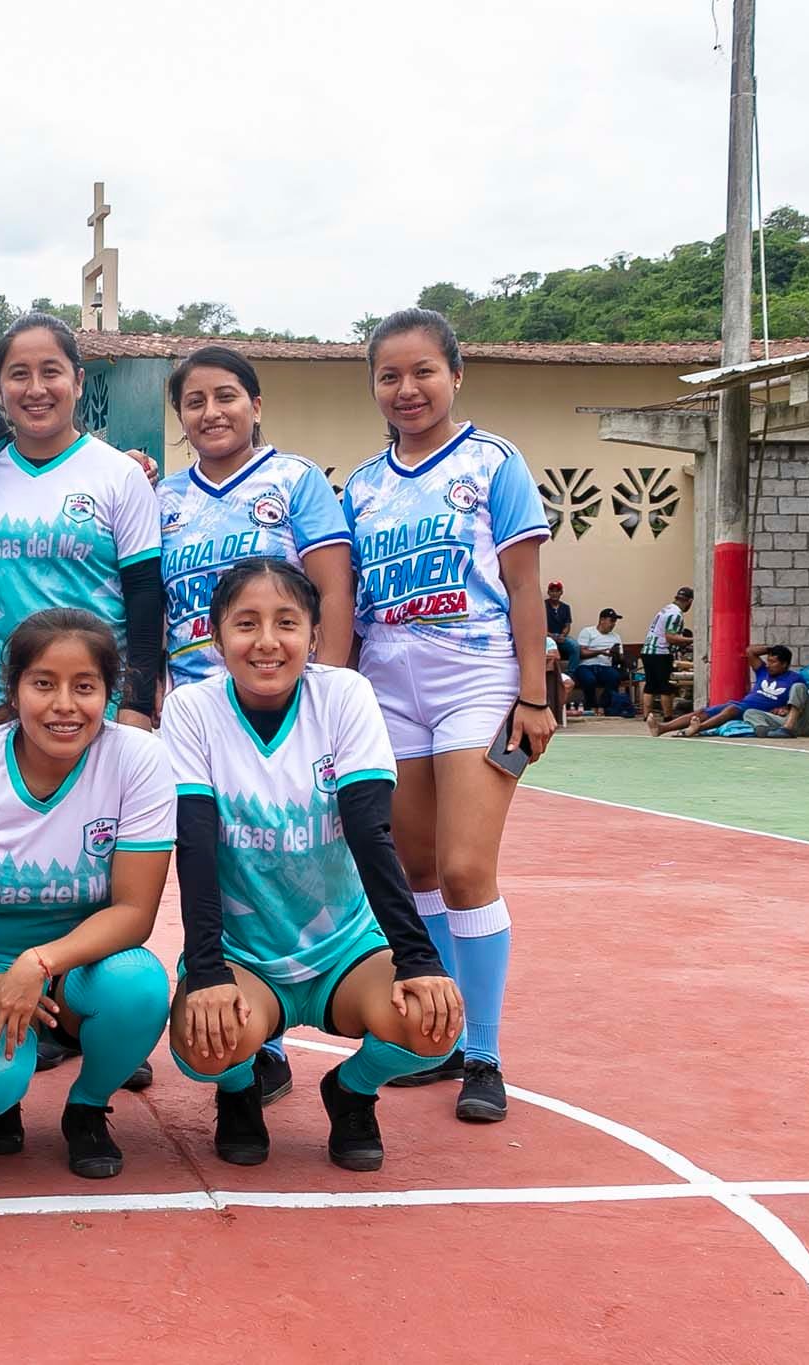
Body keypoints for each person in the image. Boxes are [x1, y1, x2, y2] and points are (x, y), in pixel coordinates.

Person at [165, 559, 463, 1171]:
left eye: (286, 622)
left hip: (344, 950)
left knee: (432, 1025)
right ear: (216, 637)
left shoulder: (344, 695)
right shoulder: (192, 709)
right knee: (204, 1044)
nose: (267, 641)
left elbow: (371, 833)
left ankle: (351, 1091)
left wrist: (419, 958)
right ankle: (239, 1090)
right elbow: (194, 847)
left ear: (314, 634)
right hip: (246, 955)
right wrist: (207, 970)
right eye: (245, 623)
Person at [342, 307, 552, 1123]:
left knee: (467, 870)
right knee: (417, 870)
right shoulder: (362, 486)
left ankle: (485, 1055)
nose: (407, 388)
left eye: (423, 371)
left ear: (455, 375)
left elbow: (525, 586)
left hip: (476, 678)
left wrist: (533, 694)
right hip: (388, 686)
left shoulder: (493, 460)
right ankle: (441, 1037)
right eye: (389, 375)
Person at [0, 609, 174, 1179]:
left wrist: (40, 963)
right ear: (14, 690)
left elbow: (134, 912)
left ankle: (88, 1107)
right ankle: (0, 1099)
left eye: (85, 687)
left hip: (78, 963)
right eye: (44, 684)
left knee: (140, 986)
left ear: (109, 693)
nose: (64, 705)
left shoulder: (138, 759)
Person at [156, 342, 354, 1105]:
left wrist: (325, 696)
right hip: (197, 716)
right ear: (180, 417)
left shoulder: (295, 481)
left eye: (227, 395)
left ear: (256, 404)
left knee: (282, 869)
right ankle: (254, 1043)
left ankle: (275, 1035)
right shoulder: (164, 497)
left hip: (282, 707)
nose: (212, 411)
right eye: (195, 401)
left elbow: (332, 592)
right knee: (211, 868)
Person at [0, 313, 162, 731]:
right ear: (0, 389)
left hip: (97, 701)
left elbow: (145, 595)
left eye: (50, 372)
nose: (36, 389)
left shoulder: (120, 475)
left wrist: (136, 703)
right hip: (3, 702)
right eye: (18, 374)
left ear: (77, 382)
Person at [651, 643, 809, 737]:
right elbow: (750, 651)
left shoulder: (795, 679)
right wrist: (773, 649)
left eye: (774, 662)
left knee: (731, 710)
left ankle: (697, 729)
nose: (769, 664)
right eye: (768, 661)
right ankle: (663, 728)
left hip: (757, 712)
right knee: (702, 712)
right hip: (741, 704)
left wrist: (785, 709)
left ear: (784, 664)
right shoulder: (763, 671)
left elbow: (801, 699)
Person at [640, 587, 695, 727]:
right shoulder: (676, 614)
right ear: (689, 601)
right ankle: (668, 717)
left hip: (647, 650)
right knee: (665, 686)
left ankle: (647, 715)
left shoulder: (666, 609)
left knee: (650, 685)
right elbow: (670, 637)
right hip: (661, 652)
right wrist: (692, 640)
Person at [572, 608, 627, 715]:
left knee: (614, 677)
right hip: (586, 666)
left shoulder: (616, 637)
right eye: (611, 621)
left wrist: (616, 654)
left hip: (605, 666)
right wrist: (601, 652)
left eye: (615, 622)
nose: (613, 624)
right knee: (589, 679)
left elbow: (621, 657)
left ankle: (603, 706)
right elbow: (581, 653)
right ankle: (591, 705)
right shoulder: (588, 632)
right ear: (602, 620)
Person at [544, 580, 579, 671]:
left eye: (557, 591)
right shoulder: (542, 605)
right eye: (552, 591)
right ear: (548, 592)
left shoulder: (565, 607)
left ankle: (570, 674)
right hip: (546, 637)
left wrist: (563, 635)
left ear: (561, 592)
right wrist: (550, 635)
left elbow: (567, 625)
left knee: (575, 647)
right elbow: (538, 625)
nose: (554, 593)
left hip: (561, 637)